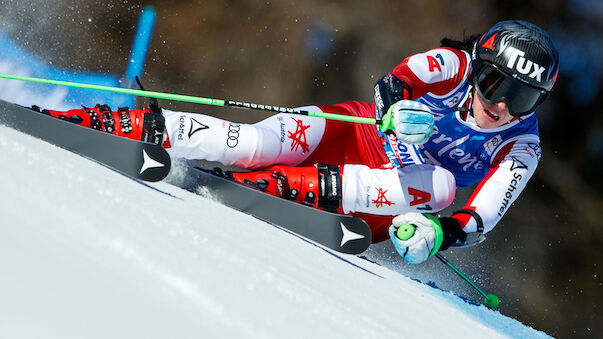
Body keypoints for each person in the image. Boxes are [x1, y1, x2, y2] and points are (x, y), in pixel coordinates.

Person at [42, 20, 559, 264]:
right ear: (480, 71)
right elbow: (391, 85)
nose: (505, 107)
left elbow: (482, 215)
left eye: (525, 98)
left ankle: (279, 188)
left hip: (383, 197)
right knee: (250, 141)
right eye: (498, 87)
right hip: (356, 131)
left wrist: (438, 236)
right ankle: (97, 122)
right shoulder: (454, 67)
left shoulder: (522, 147)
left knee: (443, 186)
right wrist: (394, 113)